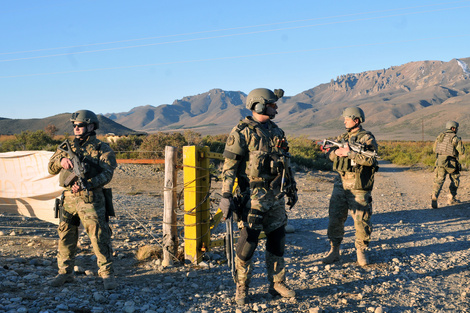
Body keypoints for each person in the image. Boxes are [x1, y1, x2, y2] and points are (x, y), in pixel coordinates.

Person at [220, 88, 298, 306]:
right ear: (260, 105)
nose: (276, 107)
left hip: (276, 195)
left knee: (277, 239)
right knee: (248, 242)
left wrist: (292, 188)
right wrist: (226, 194)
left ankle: (277, 283)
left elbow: (286, 163)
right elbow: (230, 166)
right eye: (273, 104)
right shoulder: (241, 131)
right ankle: (242, 286)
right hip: (252, 196)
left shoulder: (277, 131)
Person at [48, 110, 118, 290]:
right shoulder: (66, 146)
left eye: (79, 125)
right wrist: (61, 161)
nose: (76, 128)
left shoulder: (102, 148)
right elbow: (51, 168)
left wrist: (88, 183)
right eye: (74, 125)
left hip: (91, 199)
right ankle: (65, 273)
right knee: (65, 236)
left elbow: (108, 173)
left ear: (91, 126)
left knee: (99, 237)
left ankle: (107, 274)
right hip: (69, 199)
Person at [322, 107, 378, 267]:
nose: (344, 121)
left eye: (347, 118)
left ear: (356, 120)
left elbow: (371, 160)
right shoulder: (342, 137)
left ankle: (361, 251)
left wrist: (350, 154)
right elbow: (330, 154)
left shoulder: (367, 138)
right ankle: (334, 250)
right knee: (335, 217)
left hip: (359, 184)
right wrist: (336, 153)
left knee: (361, 220)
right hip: (341, 184)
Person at [431, 121, 465, 208]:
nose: (457, 130)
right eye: (456, 128)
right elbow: (461, 151)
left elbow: (434, 149)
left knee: (439, 180)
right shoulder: (455, 138)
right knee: (455, 179)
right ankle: (451, 198)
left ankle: (434, 195)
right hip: (451, 162)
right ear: (453, 128)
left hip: (440, 161)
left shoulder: (440, 136)